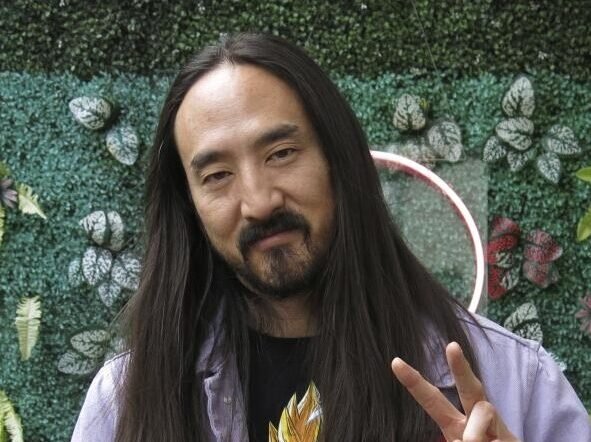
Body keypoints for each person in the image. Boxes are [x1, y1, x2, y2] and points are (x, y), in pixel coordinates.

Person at [71, 33, 591, 442]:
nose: (259, 201)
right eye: (217, 175)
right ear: (190, 207)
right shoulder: (126, 405)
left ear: (337, 161)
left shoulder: (515, 383)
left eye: (281, 154)